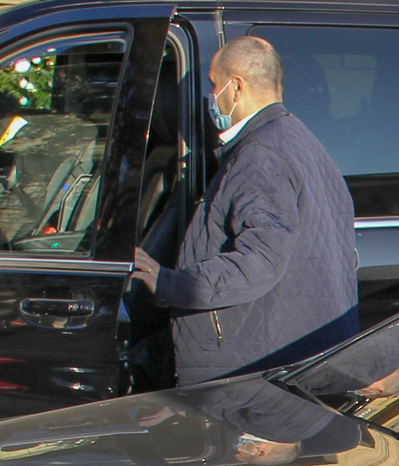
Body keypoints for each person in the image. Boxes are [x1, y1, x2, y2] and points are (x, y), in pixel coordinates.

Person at [130, 36, 359, 385]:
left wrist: (170, 283)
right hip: (289, 354)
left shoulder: (260, 157)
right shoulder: (298, 141)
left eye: (213, 84)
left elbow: (259, 261)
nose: (211, 95)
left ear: (235, 87)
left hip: (253, 367)